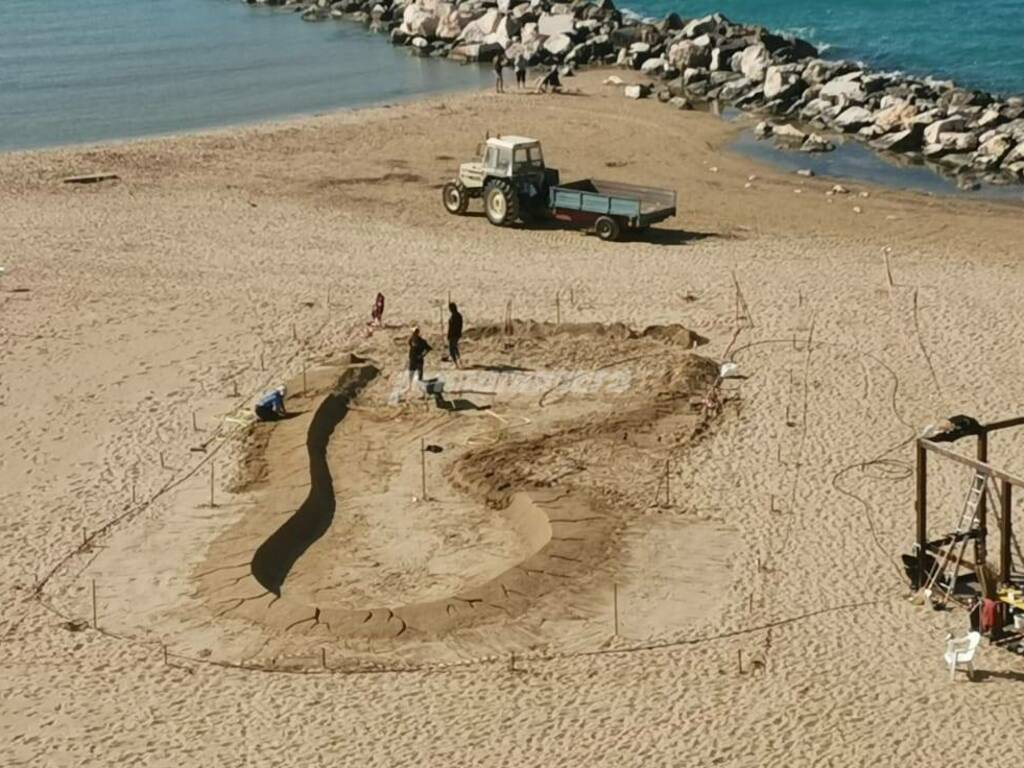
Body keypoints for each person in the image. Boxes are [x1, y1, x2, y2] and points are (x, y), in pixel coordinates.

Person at [407, 326, 432, 392]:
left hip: (418, 360)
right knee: (411, 372)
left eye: (414, 333)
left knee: (420, 373)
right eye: (412, 332)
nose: (413, 334)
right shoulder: (411, 340)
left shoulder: (422, 341)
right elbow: (410, 346)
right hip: (412, 359)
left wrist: (422, 355)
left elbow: (428, 348)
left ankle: (420, 388)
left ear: (417, 333)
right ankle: (410, 386)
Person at [447, 302, 463, 368]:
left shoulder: (453, 316)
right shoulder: (459, 315)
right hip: (457, 334)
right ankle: (459, 360)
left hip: (453, 335)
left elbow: (451, 327)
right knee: (455, 347)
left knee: (451, 349)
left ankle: (456, 364)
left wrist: (449, 335)